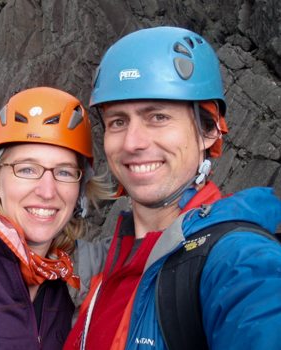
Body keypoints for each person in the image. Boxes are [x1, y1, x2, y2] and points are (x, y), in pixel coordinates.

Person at [64, 26, 281, 350]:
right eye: (118, 121)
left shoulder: (239, 262)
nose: (133, 143)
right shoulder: (106, 266)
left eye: (158, 117)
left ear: (209, 131)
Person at [0, 87, 112, 349]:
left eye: (63, 172)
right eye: (27, 169)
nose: (47, 191)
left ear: (80, 190)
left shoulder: (61, 289)